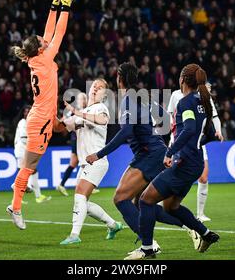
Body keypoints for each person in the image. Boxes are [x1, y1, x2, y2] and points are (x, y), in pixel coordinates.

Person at [86, 62, 188, 254]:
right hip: (155, 151)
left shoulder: (128, 100)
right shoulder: (144, 96)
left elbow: (126, 132)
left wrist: (99, 154)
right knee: (141, 202)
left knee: (120, 199)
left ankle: (147, 245)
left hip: (148, 155)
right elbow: (166, 120)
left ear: (120, 78)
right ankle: (189, 225)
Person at [127, 64, 220, 260]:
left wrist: (171, 152)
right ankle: (205, 233)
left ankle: (146, 249)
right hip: (195, 163)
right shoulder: (203, 101)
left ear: (182, 80)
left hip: (184, 163)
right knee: (171, 207)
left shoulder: (186, 102)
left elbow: (188, 129)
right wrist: (195, 144)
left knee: (145, 199)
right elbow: (210, 133)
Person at [6, 0, 78, 230]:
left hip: (45, 115)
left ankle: (15, 203)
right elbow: (59, 32)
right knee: (30, 166)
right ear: (39, 48)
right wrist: (66, 6)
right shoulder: (44, 58)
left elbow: (49, 31)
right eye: (40, 41)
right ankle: (15, 206)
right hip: (40, 119)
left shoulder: (35, 57)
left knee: (63, 131)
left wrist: (55, 4)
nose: (43, 39)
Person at [59, 79, 123, 245]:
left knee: (80, 195)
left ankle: (74, 235)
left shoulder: (101, 108)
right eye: (94, 85)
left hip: (97, 160)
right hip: (85, 163)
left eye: (101, 87)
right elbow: (63, 127)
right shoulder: (84, 111)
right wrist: (51, 117)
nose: (96, 88)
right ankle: (113, 224)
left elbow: (102, 120)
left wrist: (75, 111)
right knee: (82, 202)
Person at [167, 83, 223, 222]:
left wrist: (218, 131)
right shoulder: (176, 95)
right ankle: (163, 206)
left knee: (203, 177)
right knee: (171, 175)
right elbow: (170, 115)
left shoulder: (203, 98)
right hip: (179, 142)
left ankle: (200, 214)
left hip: (197, 142)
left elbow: (213, 116)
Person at [12, 105, 51, 203]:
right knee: (30, 171)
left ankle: (36, 195)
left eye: (29, 111)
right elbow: (24, 138)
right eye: (25, 111)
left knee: (30, 171)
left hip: (25, 151)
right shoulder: (23, 122)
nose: (27, 113)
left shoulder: (30, 123)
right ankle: (33, 193)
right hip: (22, 150)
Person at [56, 92, 87, 197]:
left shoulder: (84, 111)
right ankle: (82, 185)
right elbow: (63, 120)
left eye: (83, 99)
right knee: (81, 161)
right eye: (81, 99)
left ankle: (63, 184)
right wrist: (58, 123)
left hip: (79, 139)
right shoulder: (75, 111)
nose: (83, 101)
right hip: (77, 139)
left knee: (75, 163)